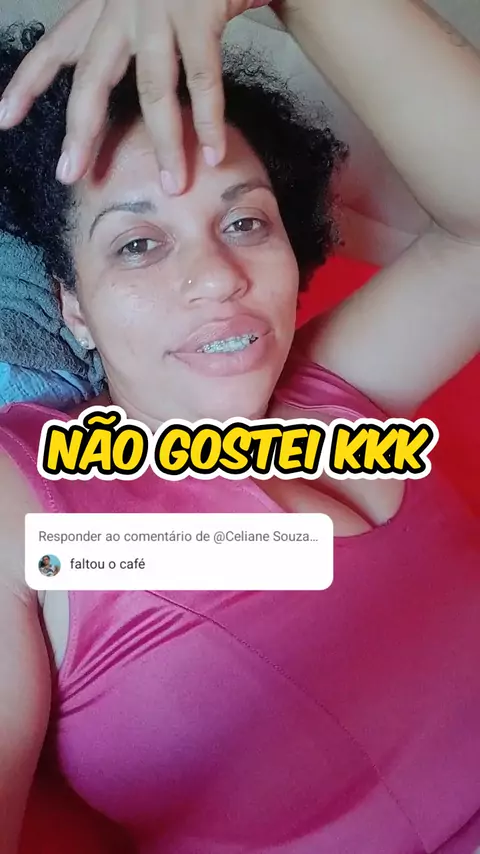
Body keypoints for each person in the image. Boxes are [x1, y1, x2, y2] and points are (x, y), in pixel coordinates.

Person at [0, 1, 479, 853]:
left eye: (245, 222)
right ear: (73, 308)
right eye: (138, 244)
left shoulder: (330, 391)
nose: (219, 277)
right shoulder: (28, 495)